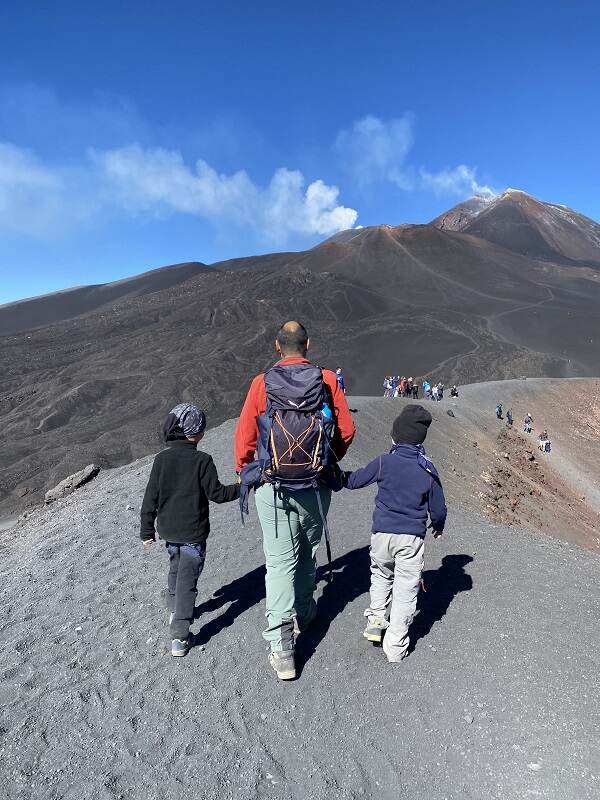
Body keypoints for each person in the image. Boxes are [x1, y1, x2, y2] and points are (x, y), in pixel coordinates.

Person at [235, 321, 355, 680]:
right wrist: (325, 460)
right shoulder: (328, 380)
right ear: (307, 344)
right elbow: (346, 431)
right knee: (306, 550)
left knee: (279, 561)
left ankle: (282, 645)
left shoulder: (262, 383)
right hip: (315, 485)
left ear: (277, 346)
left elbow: (245, 436)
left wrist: (247, 470)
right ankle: (304, 610)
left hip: (273, 488)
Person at [342, 405, 447, 662]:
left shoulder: (383, 462)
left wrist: (333, 477)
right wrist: (438, 525)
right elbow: (439, 509)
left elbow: (354, 481)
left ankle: (376, 619)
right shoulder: (427, 469)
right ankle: (396, 648)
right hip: (410, 538)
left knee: (380, 575)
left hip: (381, 534)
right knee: (406, 590)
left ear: (396, 436)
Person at [140, 403, 240, 657]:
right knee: (188, 582)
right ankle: (180, 637)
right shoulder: (202, 461)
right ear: (198, 432)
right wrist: (242, 487)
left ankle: (173, 608)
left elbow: (151, 496)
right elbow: (217, 494)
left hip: (169, 531)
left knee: (176, 568)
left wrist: (146, 530)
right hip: (193, 533)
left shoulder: (161, 459)